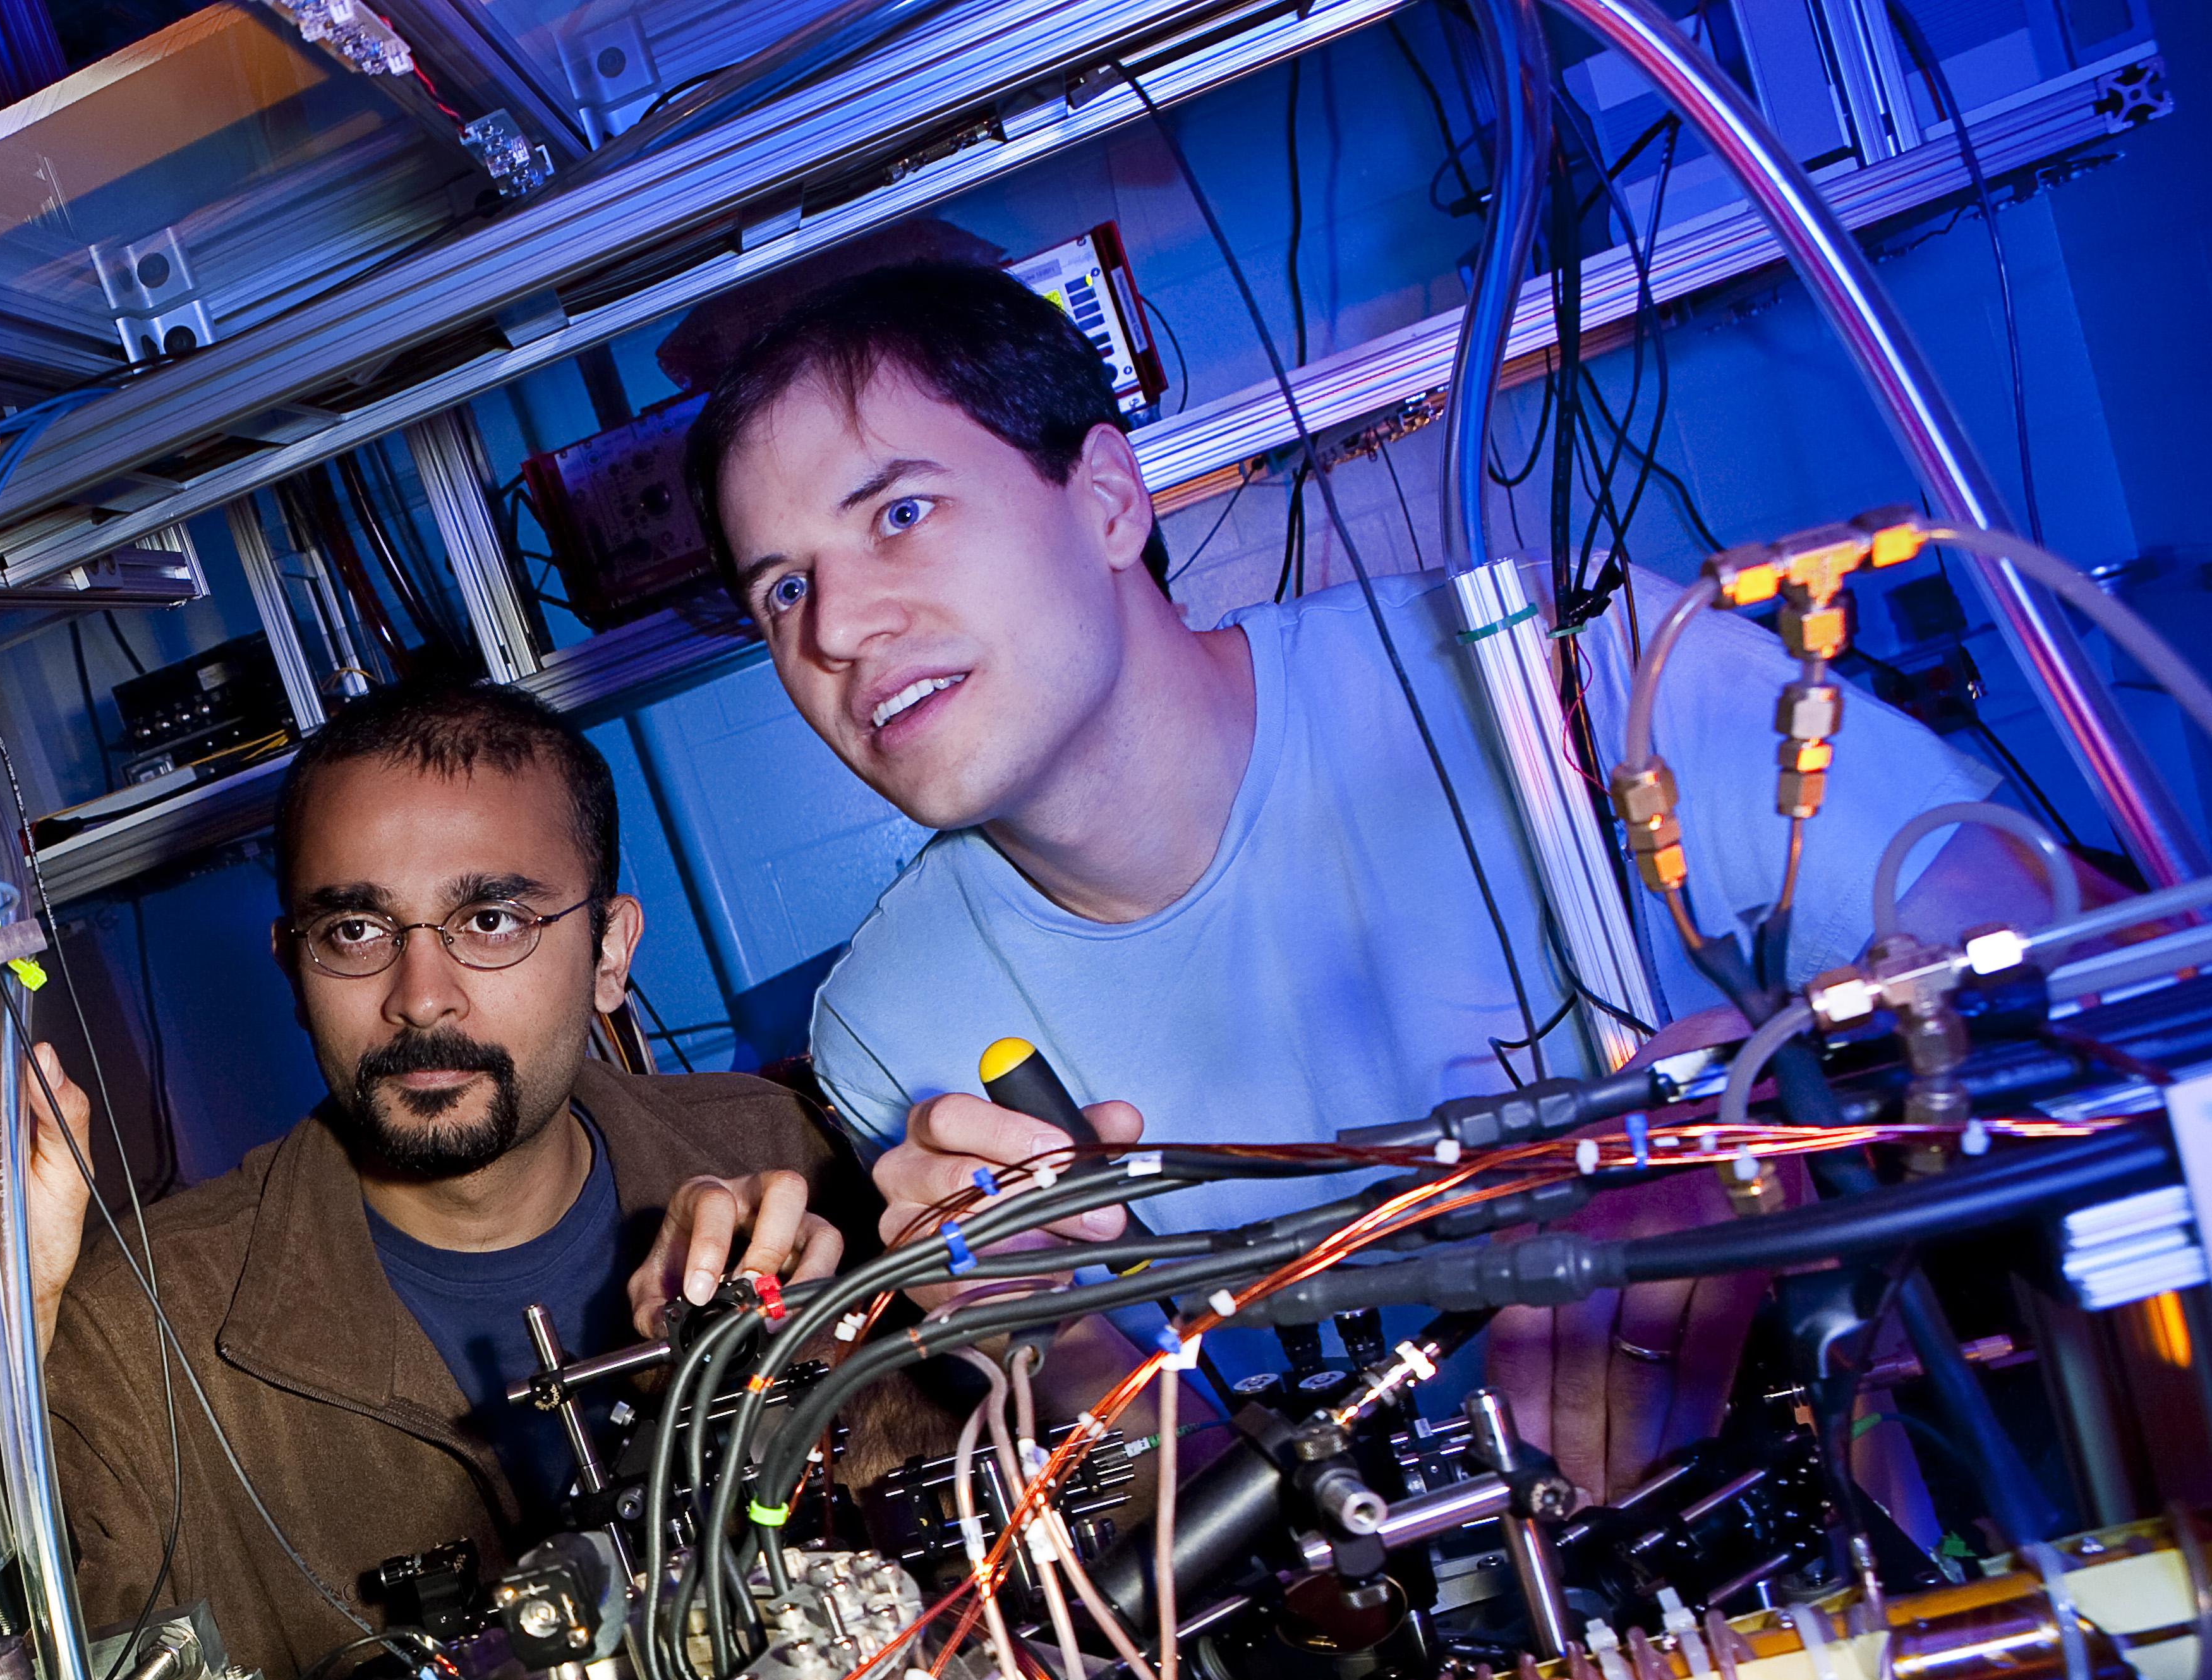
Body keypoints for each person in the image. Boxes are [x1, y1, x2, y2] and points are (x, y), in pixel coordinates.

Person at [684, 259, 2055, 1494]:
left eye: (903, 512)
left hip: (1828, 1638)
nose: (844, 627)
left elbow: (2094, 982)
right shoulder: (893, 1019)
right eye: (783, 592)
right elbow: (1171, 1480)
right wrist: (1043, 1336)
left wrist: (1759, 1113)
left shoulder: (1572, 680)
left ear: (1106, 498)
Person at [0, 680, 864, 1680]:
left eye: (490, 919)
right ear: (292, 971)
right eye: (355, 932)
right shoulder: (136, 1337)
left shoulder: (785, 1150)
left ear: (610, 952)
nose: (420, 996)